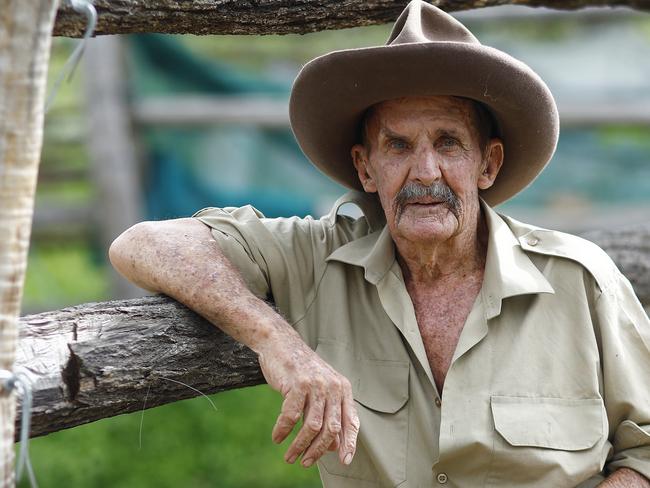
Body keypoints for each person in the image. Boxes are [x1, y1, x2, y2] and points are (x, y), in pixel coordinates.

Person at [109, 2, 650, 487]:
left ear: (488, 163)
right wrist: (279, 342)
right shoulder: (317, 261)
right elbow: (144, 243)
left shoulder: (580, 281)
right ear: (365, 168)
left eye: (447, 143)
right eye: (397, 146)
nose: (425, 172)